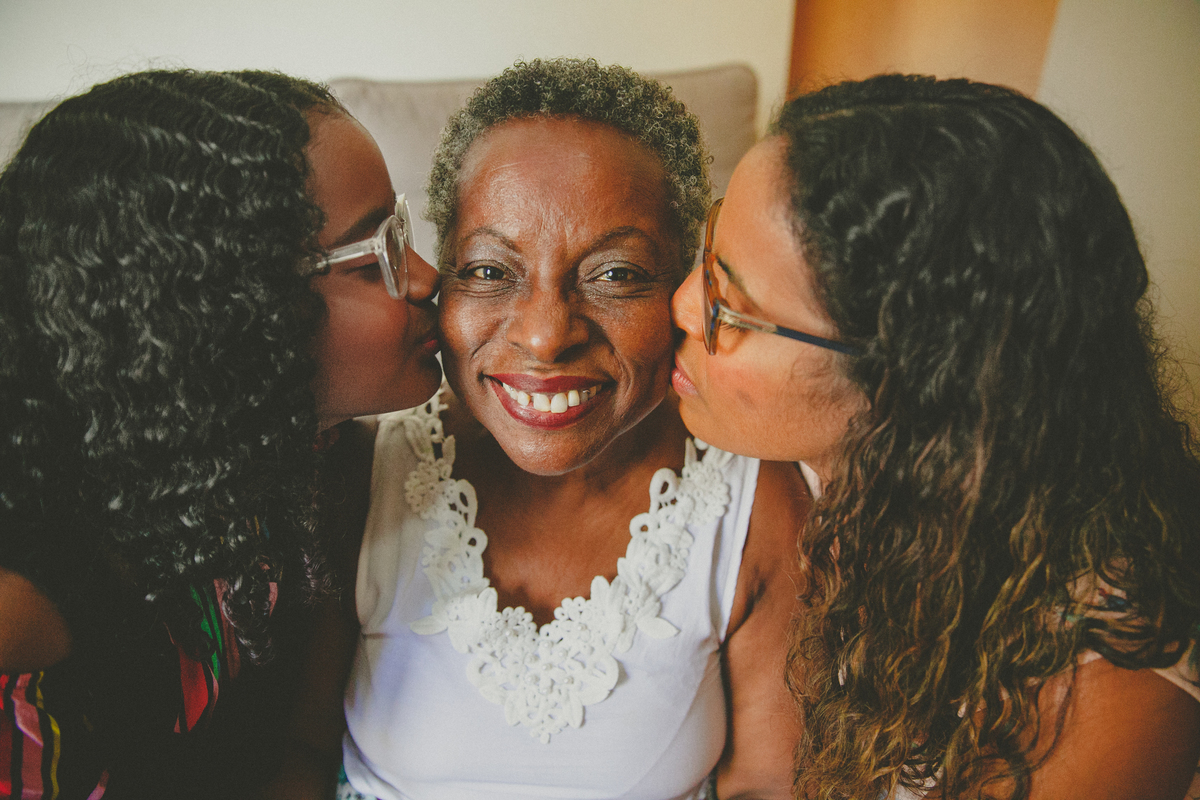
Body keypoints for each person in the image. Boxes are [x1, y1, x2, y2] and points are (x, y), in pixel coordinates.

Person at [279, 58, 809, 800]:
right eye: (490, 271)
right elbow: (297, 754)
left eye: (615, 274)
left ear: (685, 288)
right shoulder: (362, 475)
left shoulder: (753, 501)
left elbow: (769, 784)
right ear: (442, 277)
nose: (545, 336)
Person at [670, 73, 1200, 800]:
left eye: (729, 306)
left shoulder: (1105, 695)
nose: (682, 306)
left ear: (911, 387)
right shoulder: (816, 464)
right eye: (710, 247)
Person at [0, 68, 442, 798]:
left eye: (403, 232)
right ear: (230, 311)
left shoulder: (293, 456)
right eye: (379, 256)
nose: (427, 278)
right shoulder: (31, 611)